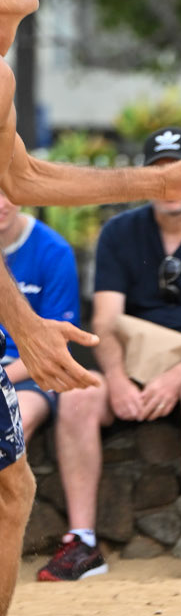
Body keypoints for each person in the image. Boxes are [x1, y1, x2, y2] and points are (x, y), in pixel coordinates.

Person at [0, 0, 181, 616]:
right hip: (119, 369)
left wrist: (157, 182)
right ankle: (85, 540)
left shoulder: (1, 77)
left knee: (12, 491)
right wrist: (25, 326)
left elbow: (23, 177)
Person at [38, 125, 181, 585]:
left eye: (180, 170)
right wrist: (116, 378)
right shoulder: (119, 232)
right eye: (161, 171)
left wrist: (180, 373)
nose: (171, 181)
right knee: (78, 395)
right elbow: (105, 321)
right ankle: (82, 541)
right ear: (146, 177)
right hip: (133, 366)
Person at [0, 190, 80, 456]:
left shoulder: (53, 251)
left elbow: (54, 346)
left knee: (11, 426)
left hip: (29, 372)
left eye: (7, 193)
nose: (1, 204)